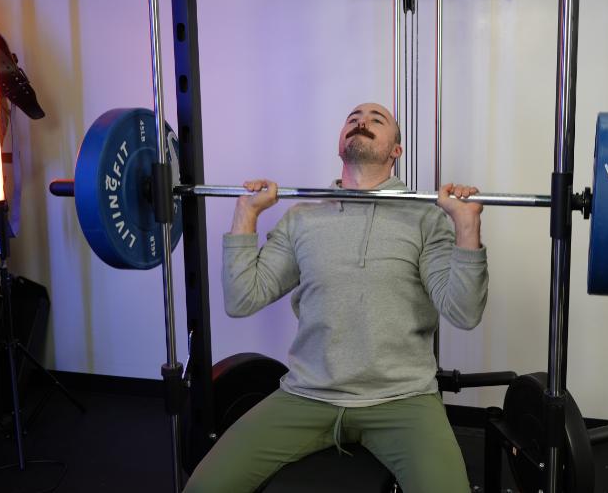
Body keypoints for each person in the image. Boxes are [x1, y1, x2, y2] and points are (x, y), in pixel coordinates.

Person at [184, 103, 488, 493]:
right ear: (340, 143)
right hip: (308, 395)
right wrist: (246, 215)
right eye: (353, 118)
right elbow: (242, 298)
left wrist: (467, 226)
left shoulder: (424, 218)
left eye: (377, 120)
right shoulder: (304, 218)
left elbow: (462, 312)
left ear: (396, 151)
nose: (362, 121)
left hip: (402, 400)